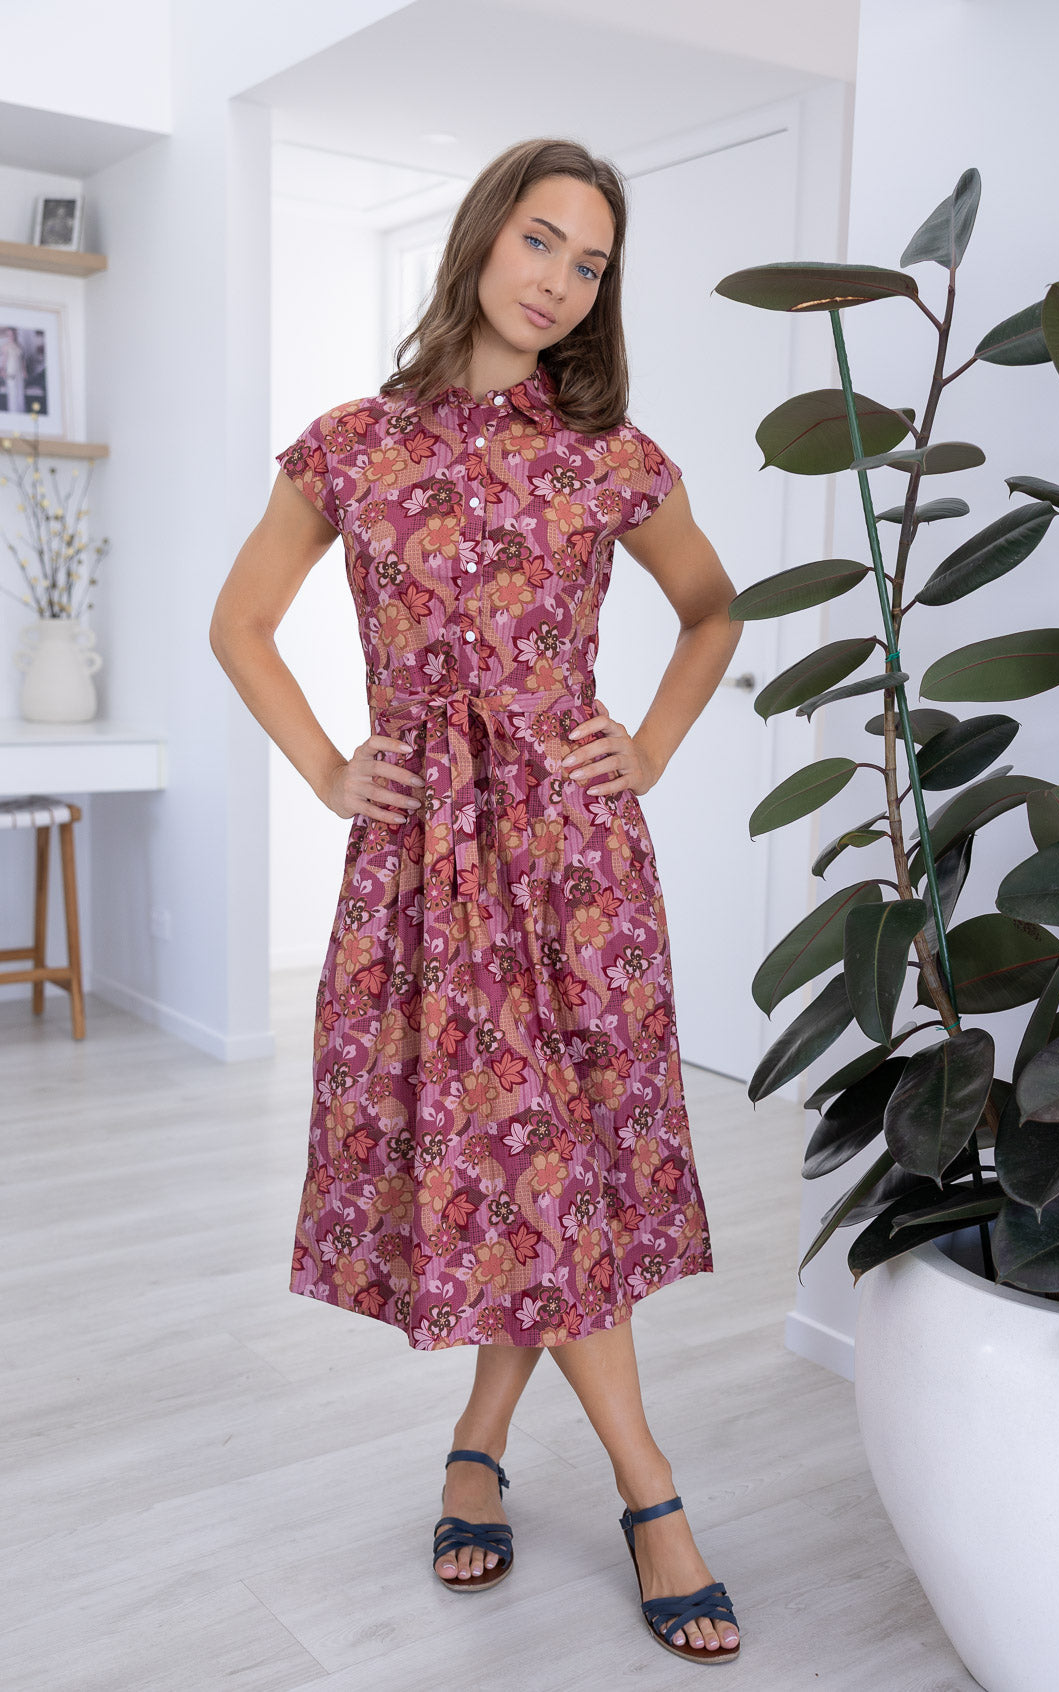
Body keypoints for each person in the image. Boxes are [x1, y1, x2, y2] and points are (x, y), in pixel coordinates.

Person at [210, 136, 743, 1663]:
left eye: (591, 264)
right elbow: (241, 621)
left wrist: (641, 741)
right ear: (479, 240)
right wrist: (328, 770)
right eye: (543, 241)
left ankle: (553, 1465)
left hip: (575, 866)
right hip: (429, 868)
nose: (562, 282)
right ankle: (616, 1482)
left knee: (557, 1164)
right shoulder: (349, 448)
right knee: (517, 1169)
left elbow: (711, 610)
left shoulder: (610, 458)